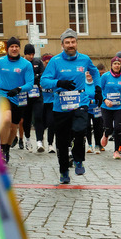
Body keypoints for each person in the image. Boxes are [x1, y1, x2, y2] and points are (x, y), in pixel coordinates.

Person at [41, 29, 101, 184]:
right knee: (61, 140)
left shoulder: (85, 59)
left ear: (76, 43)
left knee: (80, 130)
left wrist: (98, 88)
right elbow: (44, 81)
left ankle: (78, 159)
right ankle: (63, 171)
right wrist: (59, 83)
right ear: (62, 45)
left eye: (73, 42)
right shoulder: (55, 61)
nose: (70, 45)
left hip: (80, 101)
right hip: (61, 104)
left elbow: (95, 73)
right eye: (67, 42)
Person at [0, 37, 35, 163]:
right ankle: (2, 149)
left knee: (14, 127)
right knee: (6, 119)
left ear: (19, 48)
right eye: (11, 46)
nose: (14, 49)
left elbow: (30, 83)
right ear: (7, 48)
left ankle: (7, 148)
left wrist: (19, 89)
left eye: (16, 47)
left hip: (19, 98)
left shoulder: (26, 64)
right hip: (3, 95)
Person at [99, 56, 121, 159]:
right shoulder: (105, 76)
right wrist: (105, 100)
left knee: (118, 128)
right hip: (106, 106)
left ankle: (116, 150)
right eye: (115, 64)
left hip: (119, 106)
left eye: (118, 64)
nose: (117, 65)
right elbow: (99, 90)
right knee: (109, 127)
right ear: (111, 65)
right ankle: (106, 134)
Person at [21, 44, 46, 152]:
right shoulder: (21, 64)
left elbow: (43, 74)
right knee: (26, 119)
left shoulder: (38, 62)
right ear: (25, 54)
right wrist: (33, 78)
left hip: (37, 94)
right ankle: (27, 139)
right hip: (25, 95)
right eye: (29, 54)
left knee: (39, 117)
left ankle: (39, 141)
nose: (31, 56)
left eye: (32, 54)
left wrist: (34, 78)